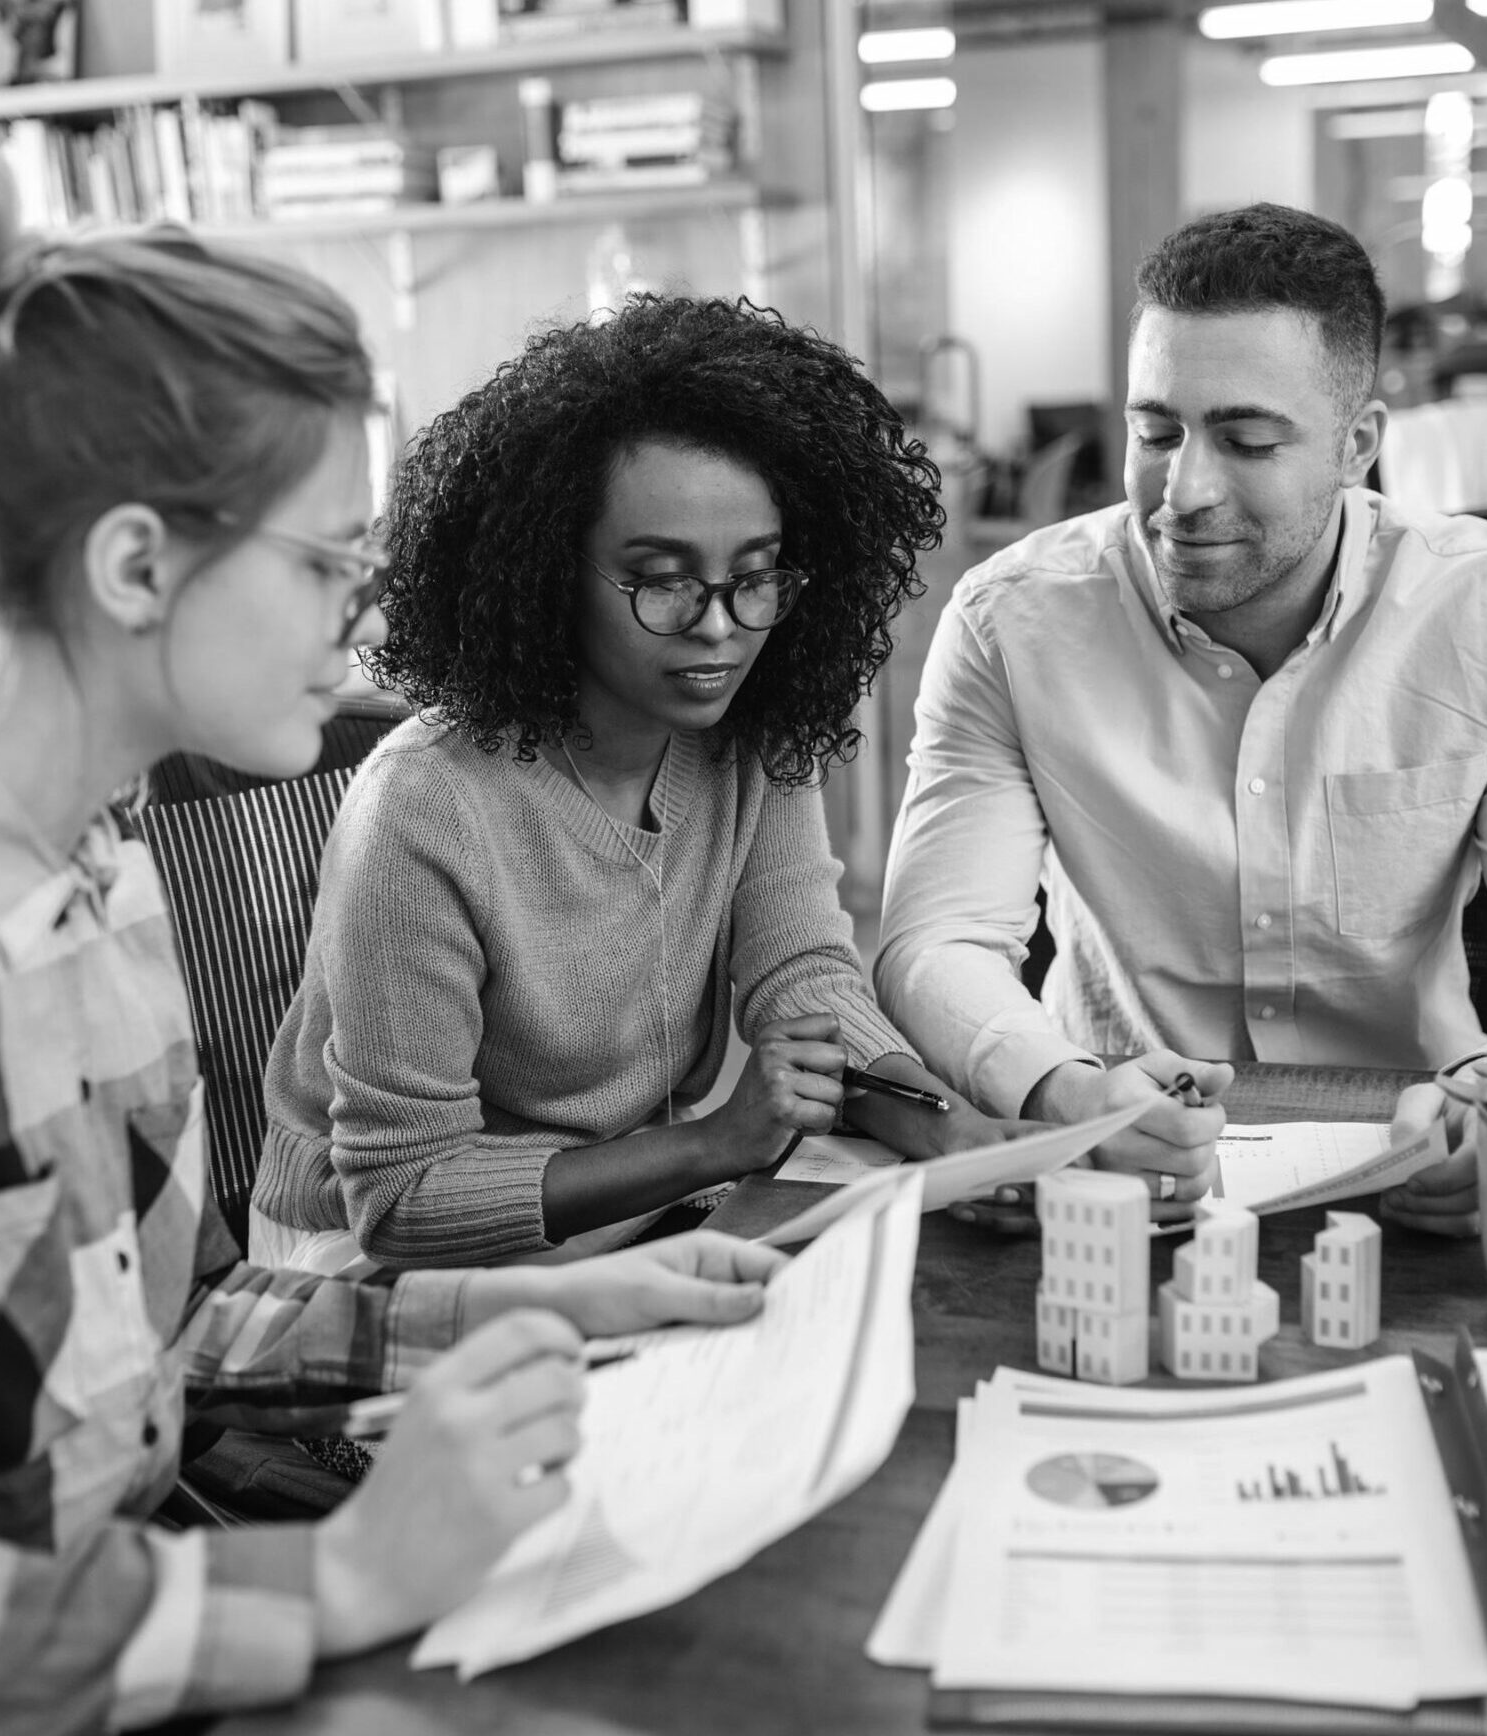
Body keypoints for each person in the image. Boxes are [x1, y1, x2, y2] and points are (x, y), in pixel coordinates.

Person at [0, 131, 789, 1736]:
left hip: (132, 1665)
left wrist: (525, 1298)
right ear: (136, 566)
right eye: (330, 562)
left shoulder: (98, 867)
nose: (368, 619)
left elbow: (179, 1343)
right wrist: (331, 1576)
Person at [249, 295, 1002, 1275]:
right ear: (550, 575)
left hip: (630, 1208)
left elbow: (805, 984)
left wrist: (951, 1128)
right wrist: (710, 1144)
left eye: (756, 576)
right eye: (664, 579)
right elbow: (398, 1199)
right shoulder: (426, 810)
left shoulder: (751, 732)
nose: (722, 627)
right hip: (362, 1268)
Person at [876, 200, 1487, 1233]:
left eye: (1249, 439)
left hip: (1418, 1161)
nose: (1185, 490)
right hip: (1116, 1164)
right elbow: (934, 941)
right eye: (1155, 432)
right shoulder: (1014, 622)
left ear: (1358, 445)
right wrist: (1062, 1090)